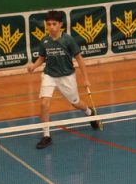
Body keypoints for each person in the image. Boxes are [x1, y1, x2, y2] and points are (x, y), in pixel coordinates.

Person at [25, 10, 101, 150]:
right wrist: (34, 66)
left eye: (54, 24)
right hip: (49, 75)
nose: (51, 27)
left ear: (60, 24)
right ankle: (46, 136)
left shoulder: (68, 40)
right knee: (44, 104)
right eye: (49, 24)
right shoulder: (45, 41)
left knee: (76, 103)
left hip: (67, 76)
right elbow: (42, 57)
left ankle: (89, 112)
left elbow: (79, 59)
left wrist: (86, 79)